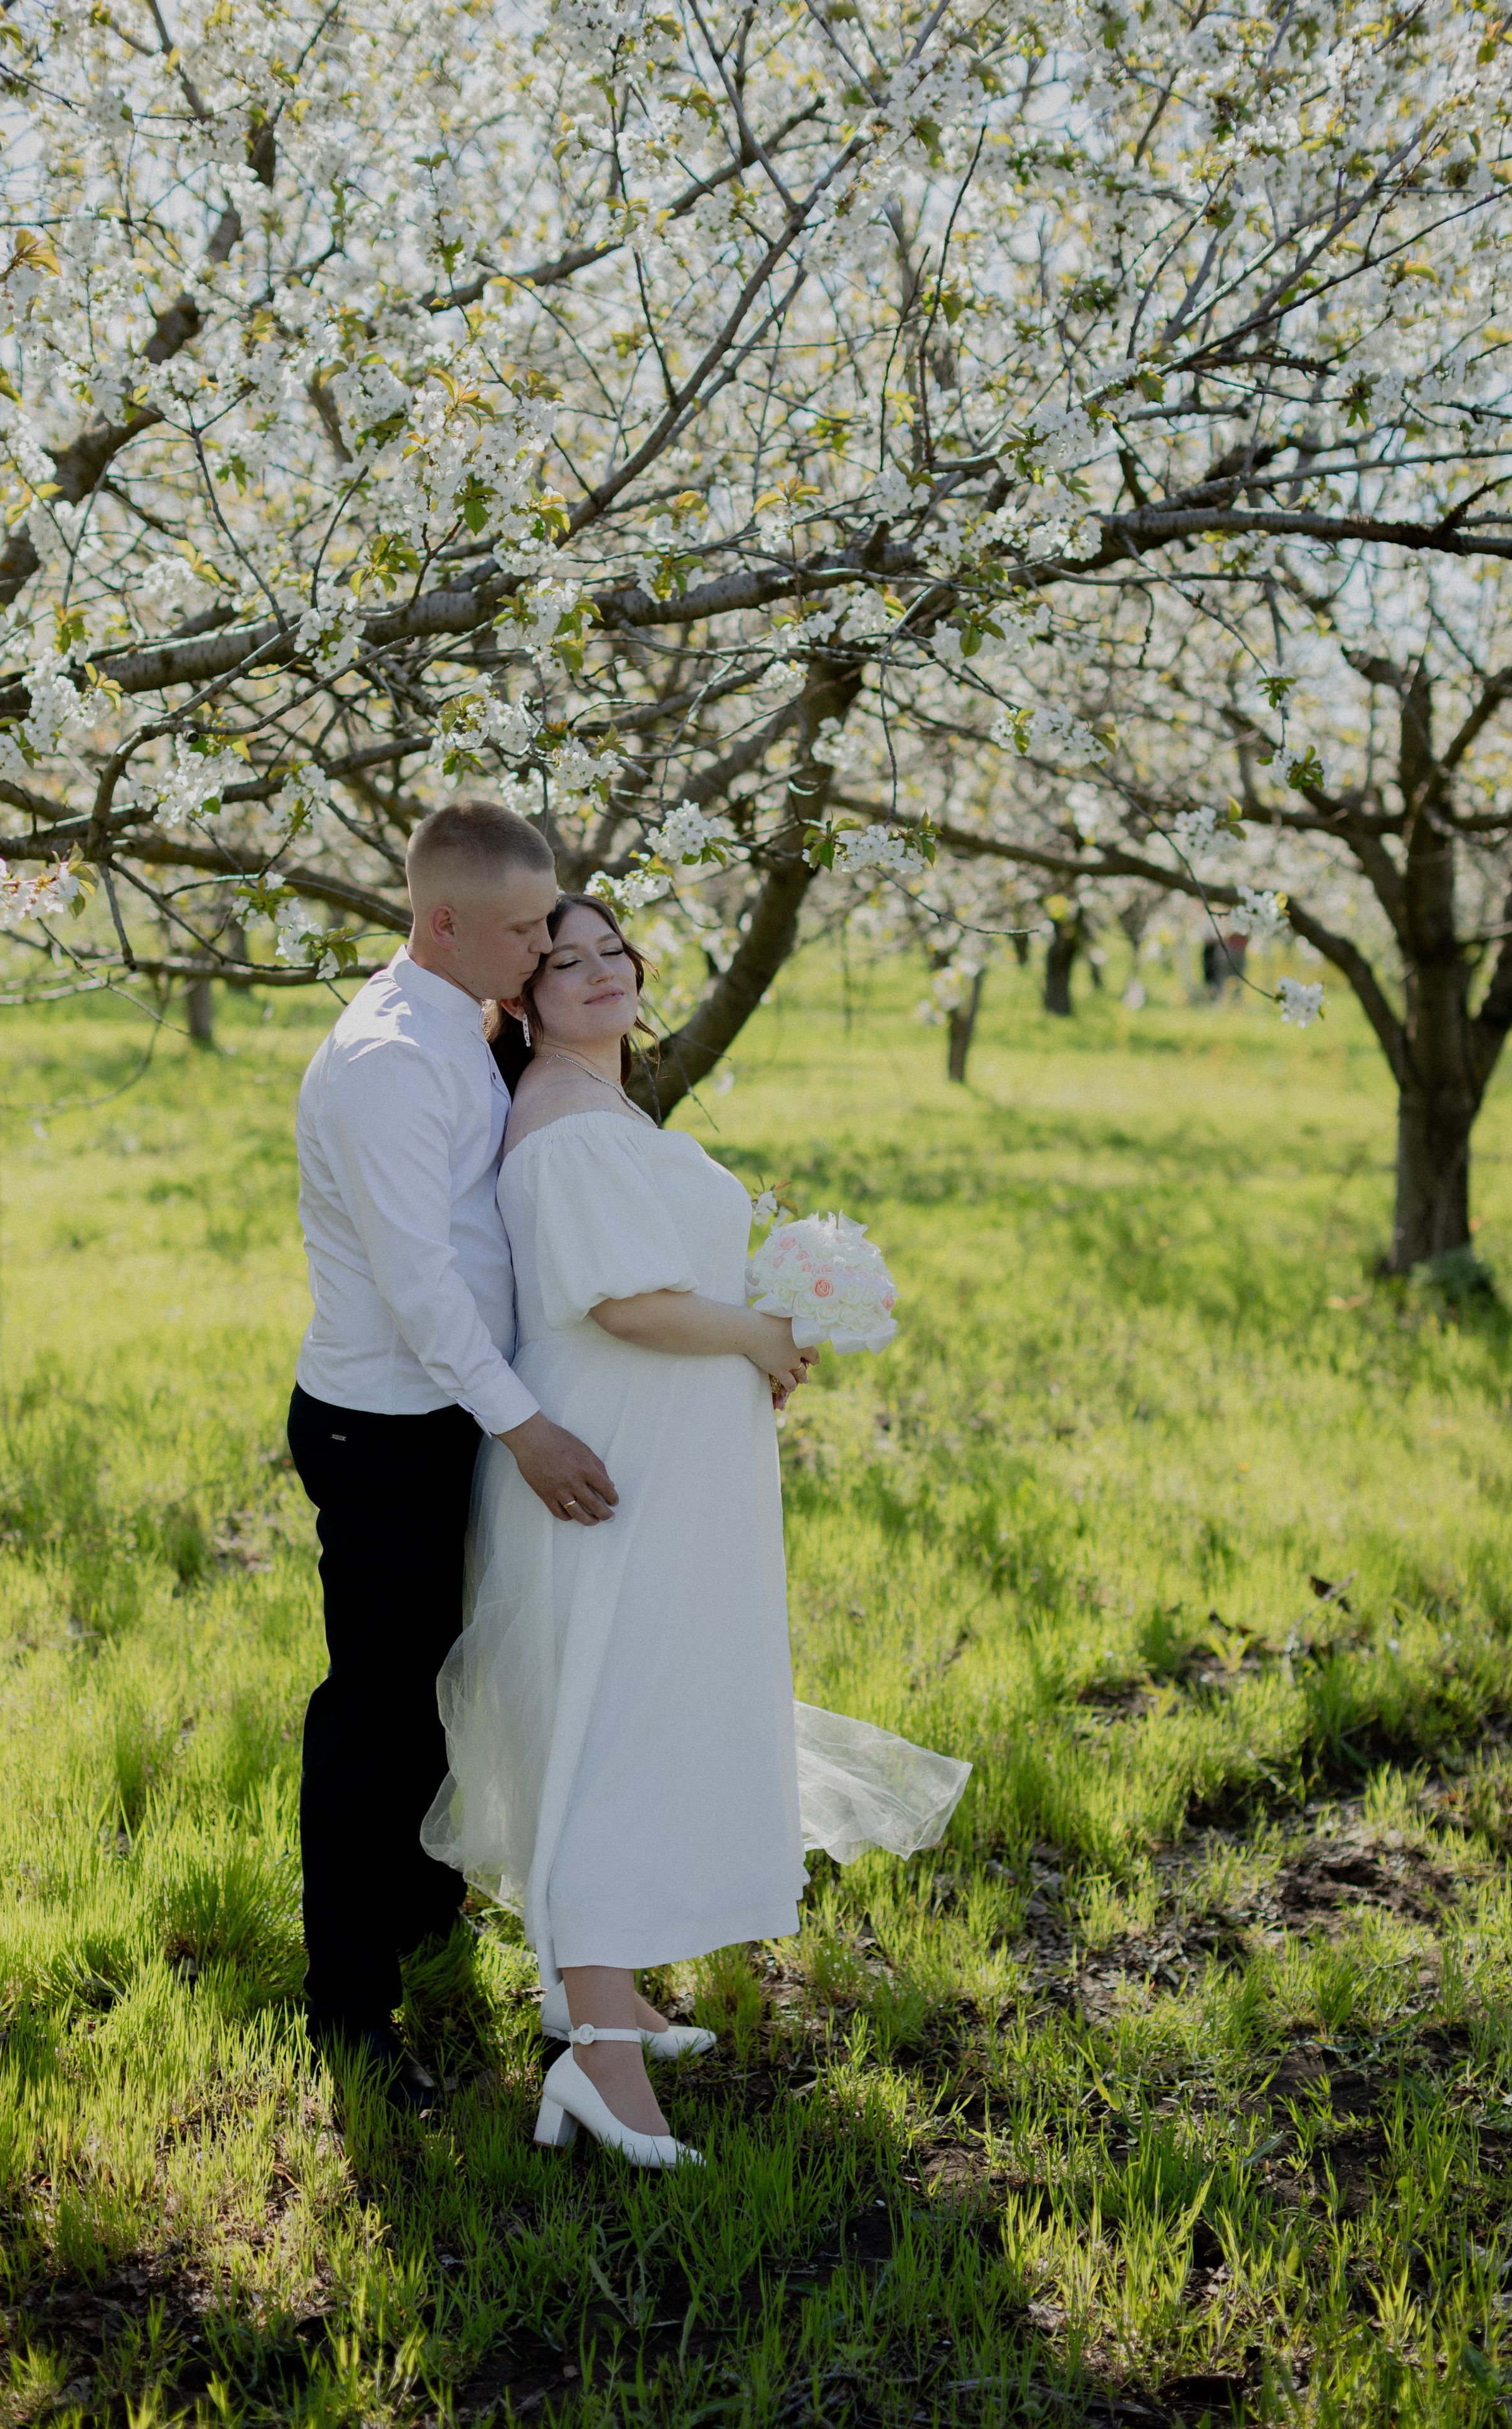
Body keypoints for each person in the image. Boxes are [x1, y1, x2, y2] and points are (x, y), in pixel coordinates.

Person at [421, 896, 970, 2168]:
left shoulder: (603, 1103)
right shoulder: (560, 1120)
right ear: (524, 997)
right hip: (617, 1454)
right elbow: (623, 1305)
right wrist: (758, 1335)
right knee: (613, 1723)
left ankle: (603, 1996)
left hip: (667, 1453)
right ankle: (597, 2064)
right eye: (564, 961)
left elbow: (663, 1284)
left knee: (640, 1705)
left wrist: (754, 1341)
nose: (598, 972)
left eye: (612, 950)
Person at [288, 804, 617, 2113]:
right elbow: (420, 1290)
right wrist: (526, 1427)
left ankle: (423, 1917)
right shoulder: (385, 1061)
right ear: (442, 923)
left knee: (440, 1685)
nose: (544, 945)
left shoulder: (459, 1022)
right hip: (384, 1427)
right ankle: (347, 2008)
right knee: (371, 1714)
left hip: (451, 1414)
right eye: (527, 927)